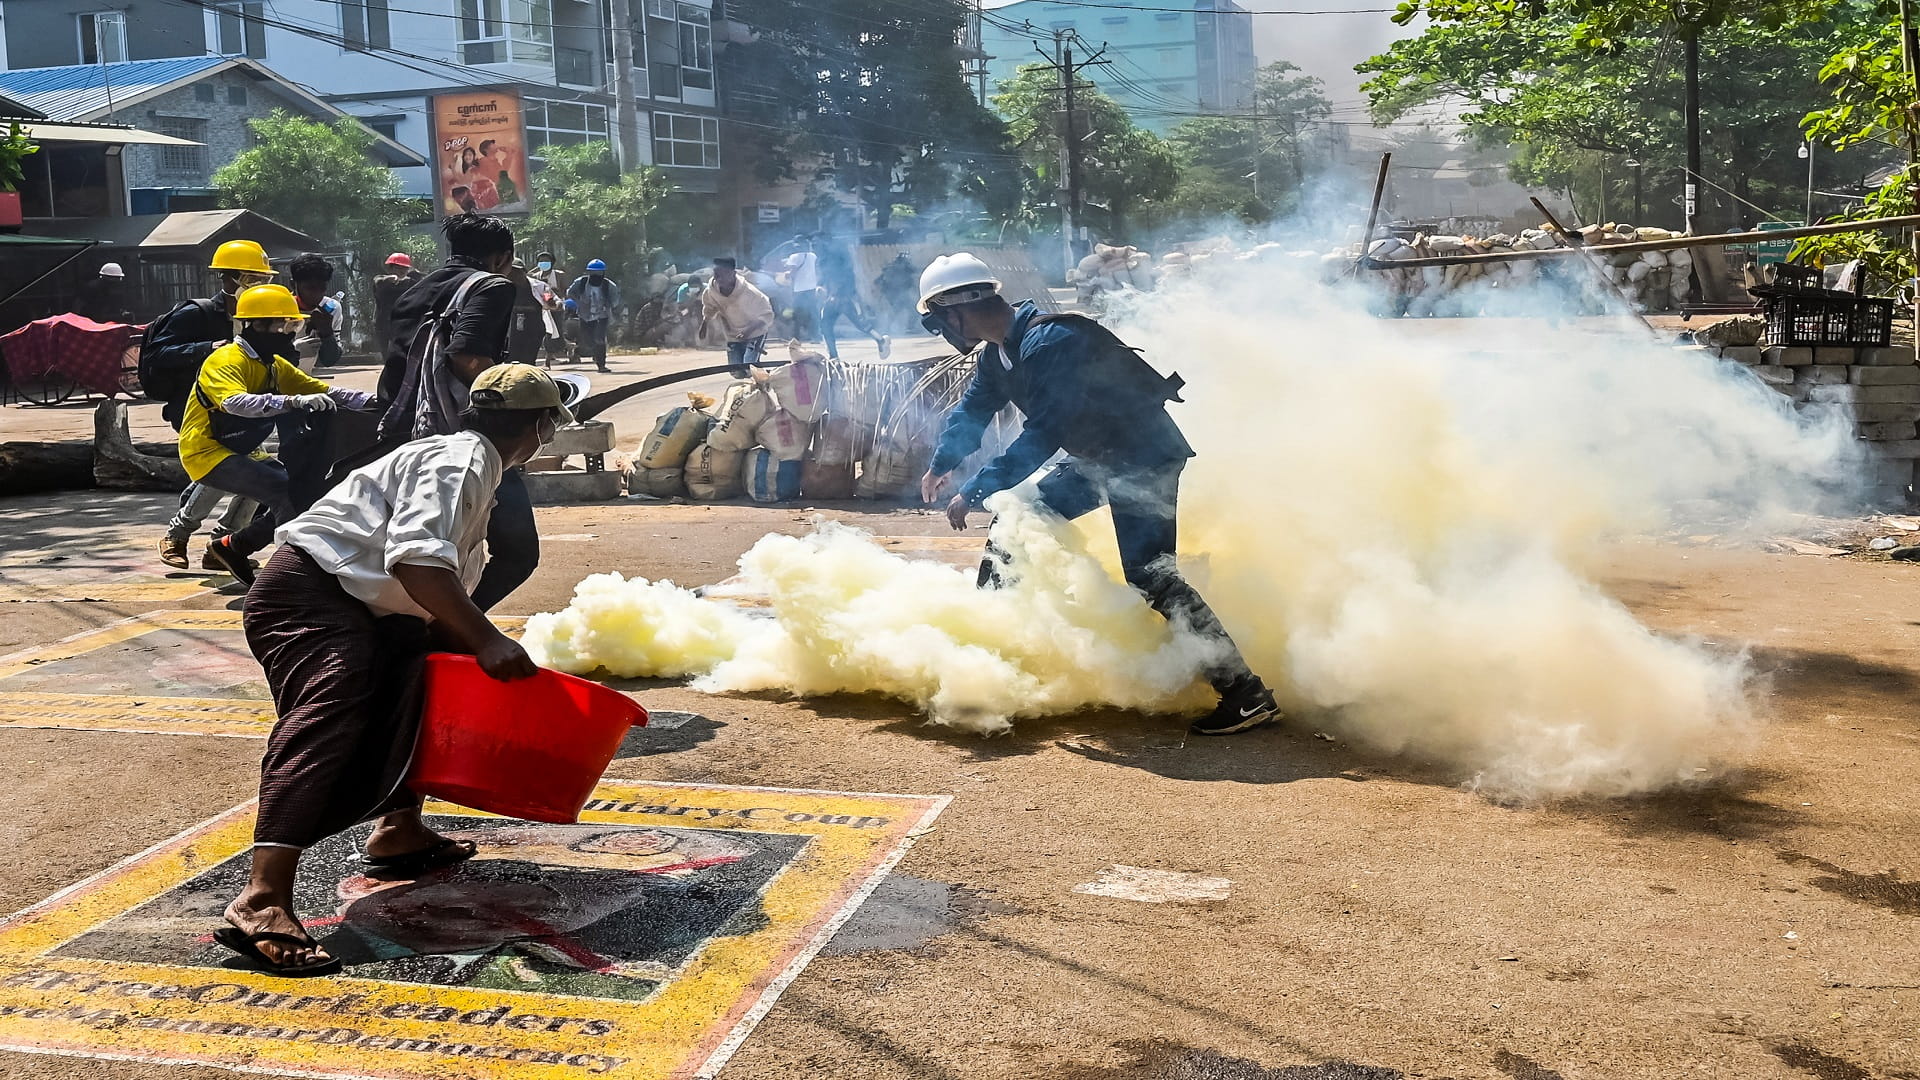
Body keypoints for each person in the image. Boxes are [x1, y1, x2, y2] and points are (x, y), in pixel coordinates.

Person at [217, 364, 564, 976]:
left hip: (366, 605)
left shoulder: (469, 463)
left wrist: (457, 646)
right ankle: (262, 899)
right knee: (333, 713)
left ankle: (399, 830)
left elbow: (428, 578)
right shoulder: (464, 461)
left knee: (424, 687)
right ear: (539, 428)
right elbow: (418, 563)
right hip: (310, 594)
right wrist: (487, 640)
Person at [915, 252, 1281, 737]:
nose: (943, 332)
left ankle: (1245, 694)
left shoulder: (1052, 342)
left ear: (955, 310)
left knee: (1150, 575)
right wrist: (942, 464)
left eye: (939, 321)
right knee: (1018, 518)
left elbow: (1043, 433)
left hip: (1141, 458)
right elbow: (973, 411)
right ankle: (986, 651)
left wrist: (976, 489)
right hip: (1096, 459)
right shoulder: (998, 353)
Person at [377, 212, 532, 612]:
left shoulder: (415, 290)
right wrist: (514, 399)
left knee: (423, 549)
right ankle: (455, 631)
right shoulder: (493, 287)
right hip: (466, 438)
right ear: (502, 256)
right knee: (517, 552)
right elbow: (466, 354)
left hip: (404, 433)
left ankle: (428, 628)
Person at [184, 285, 374, 586]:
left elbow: (325, 390)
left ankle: (233, 547)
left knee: (300, 491)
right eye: (284, 326)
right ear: (257, 325)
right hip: (207, 450)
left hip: (242, 447)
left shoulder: (272, 364)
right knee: (283, 490)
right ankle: (292, 574)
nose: (290, 333)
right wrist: (291, 401)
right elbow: (235, 402)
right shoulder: (226, 360)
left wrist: (373, 401)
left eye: (293, 325)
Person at [146, 239, 277, 570]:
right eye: (252, 278)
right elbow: (156, 355)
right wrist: (208, 347)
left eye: (263, 279)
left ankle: (220, 544)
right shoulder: (197, 314)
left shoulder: (255, 314)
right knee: (227, 469)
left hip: (242, 412)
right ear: (230, 278)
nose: (259, 285)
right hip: (198, 412)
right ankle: (179, 536)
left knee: (259, 475)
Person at [700, 256, 774, 376]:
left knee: (749, 367)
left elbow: (766, 315)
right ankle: (760, 373)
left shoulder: (750, 293)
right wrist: (704, 324)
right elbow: (709, 307)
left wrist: (747, 331)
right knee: (736, 372)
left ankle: (762, 382)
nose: (717, 278)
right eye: (715, 274)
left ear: (732, 274)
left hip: (755, 333)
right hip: (733, 335)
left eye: (722, 274)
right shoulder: (711, 291)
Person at [287, 254, 343, 370]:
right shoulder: (279, 309)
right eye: (310, 288)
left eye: (322, 288)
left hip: (305, 381)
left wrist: (327, 334)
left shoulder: (331, 309)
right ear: (293, 285)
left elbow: (329, 361)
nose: (317, 294)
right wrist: (294, 349)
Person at [820, 274, 891, 360]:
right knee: (825, 326)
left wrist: (852, 295)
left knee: (860, 323)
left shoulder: (840, 265)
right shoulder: (827, 264)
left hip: (844, 296)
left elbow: (846, 274)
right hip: (834, 298)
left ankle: (881, 341)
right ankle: (833, 357)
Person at [566, 259, 619, 373]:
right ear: (588, 273)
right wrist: (578, 302)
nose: (596, 276)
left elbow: (615, 300)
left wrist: (608, 305)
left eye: (599, 273)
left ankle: (601, 365)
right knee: (587, 340)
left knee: (599, 339)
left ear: (603, 273)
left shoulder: (609, 285)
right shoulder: (581, 282)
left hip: (601, 316)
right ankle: (587, 351)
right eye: (593, 273)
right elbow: (570, 293)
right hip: (585, 315)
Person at [372, 252, 420, 359]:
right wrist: (390, 279)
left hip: (404, 324)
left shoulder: (410, 283)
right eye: (398, 268)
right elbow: (379, 281)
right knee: (388, 356)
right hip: (384, 325)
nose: (402, 271)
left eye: (405, 268)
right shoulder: (380, 281)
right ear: (390, 268)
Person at [527, 250, 566, 363]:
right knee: (545, 331)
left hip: (556, 307)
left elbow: (564, 290)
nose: (544, 263)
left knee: (556, 330)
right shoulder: (535, 276)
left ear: (552, 262)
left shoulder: (559, 275)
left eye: (546, 261)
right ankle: (549, 355)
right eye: (541, 261)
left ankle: (553, 352)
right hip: (542, 308)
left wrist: (553, 294)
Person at [505, 258, 546, 366]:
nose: (514, 275)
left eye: (517, 272)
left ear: (524, 272)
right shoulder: (503, 287)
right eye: (511, 272)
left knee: (528, 360)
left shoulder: (539, 286)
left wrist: (553, 303)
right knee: (511, 360)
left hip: (533, 329)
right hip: (511, 331)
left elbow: (550, 298)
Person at [784, 237, 821, 341]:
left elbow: (792, 273)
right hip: (811, 288)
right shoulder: (813, 256)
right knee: (812, 313)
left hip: (799, 289)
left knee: (796, 313)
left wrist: (786, 275)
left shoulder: (794, 257)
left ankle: (796, 337)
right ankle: (815, 336)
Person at [875, 251, 920, 335]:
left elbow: (877, 281)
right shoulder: (904, 266)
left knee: (896, 311)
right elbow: (915, 270)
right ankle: (910, 327)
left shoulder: (890, 267)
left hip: (892, 295)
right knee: (913, 310)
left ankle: (886, 328)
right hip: (899, 294)